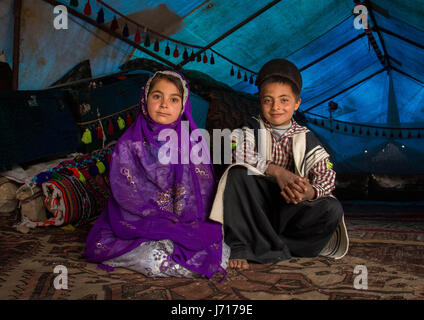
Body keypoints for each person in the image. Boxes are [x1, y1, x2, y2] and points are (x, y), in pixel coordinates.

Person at [83, 70, 229, 279]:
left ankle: (171, 238)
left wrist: (177, 221)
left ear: (183, 106)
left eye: (174, 99)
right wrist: (159, 220)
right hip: (140, 221)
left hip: (183, 221)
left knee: (216, 252)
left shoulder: (192, 144)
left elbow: (202, 193)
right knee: (151, 257)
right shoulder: (128, 144)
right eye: (157, 96)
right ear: (144, 99)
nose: (164, 104)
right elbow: (125, 194)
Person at [209, 59, 348, 270]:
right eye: (268, 100)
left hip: (289, 207)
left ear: (297, 103)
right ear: (260, 102)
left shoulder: (306, 136)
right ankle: (244, 245)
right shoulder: (250, 127)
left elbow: (326, 174)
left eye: (284, 100)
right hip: (257, 206)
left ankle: (270, 244)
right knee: (238, 175)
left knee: (332, 208)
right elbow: (237, 150)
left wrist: (309, 191)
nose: (276, 107)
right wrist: (277, 172)